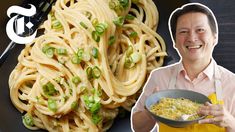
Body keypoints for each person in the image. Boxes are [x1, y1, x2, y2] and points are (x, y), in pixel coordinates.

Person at [131, 3, 235, 132]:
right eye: (183, 32)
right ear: (174, 41)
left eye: (200, 30)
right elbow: (138, 128)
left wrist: (231, 123)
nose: (192, 38)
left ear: (215, 37)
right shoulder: (159, 77)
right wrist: (150, 109)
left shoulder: (232, 83)